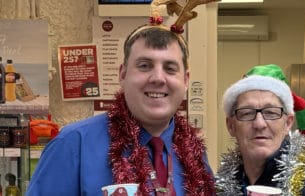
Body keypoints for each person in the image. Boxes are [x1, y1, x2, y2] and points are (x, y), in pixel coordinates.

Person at [26, 1, 217, 195]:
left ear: (185, 81)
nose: (158, 78)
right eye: (144, 65)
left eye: (170, 68)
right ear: (123, 75)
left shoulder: (194, 154)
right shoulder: (73, 145)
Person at [215, 74, 305, 196]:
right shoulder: (218, 188)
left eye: (271, 113)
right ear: (231, 126)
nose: (259, 124)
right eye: (247, 113)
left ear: (288, 123)